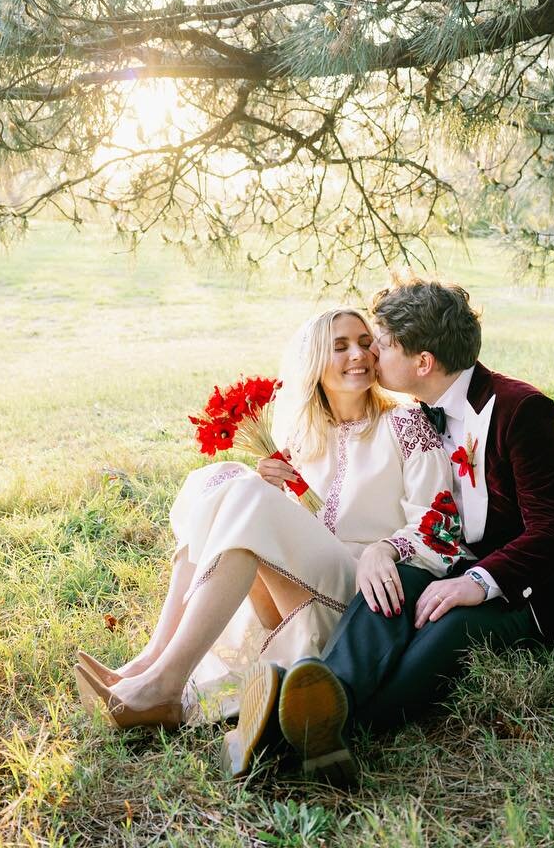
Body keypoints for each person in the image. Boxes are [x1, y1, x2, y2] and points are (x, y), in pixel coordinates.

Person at [229, 277, 554, 783]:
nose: (371, 354)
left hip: (529, 594)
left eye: (382, 344)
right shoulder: (421, 413)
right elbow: (420, 510)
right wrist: (383, 547)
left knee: (440, 632)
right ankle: (316, 712)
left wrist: (476, 584)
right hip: (453, 561)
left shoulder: (522, 411)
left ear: (422, 364)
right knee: (389, 589)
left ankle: (301, 729)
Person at [73, 307, 468, 768]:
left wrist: (388, 548)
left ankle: (163, 681)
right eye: (339, 347)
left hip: (362, 592)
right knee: (222, 476)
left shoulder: (404, 425)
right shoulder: (304, 438)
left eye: (365, 342)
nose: (358, 354)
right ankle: (151, 662)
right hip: (298, 589)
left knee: (246, 493)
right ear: (315, 360)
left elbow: (439, 527)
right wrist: (270, 491)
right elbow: (298, 528)